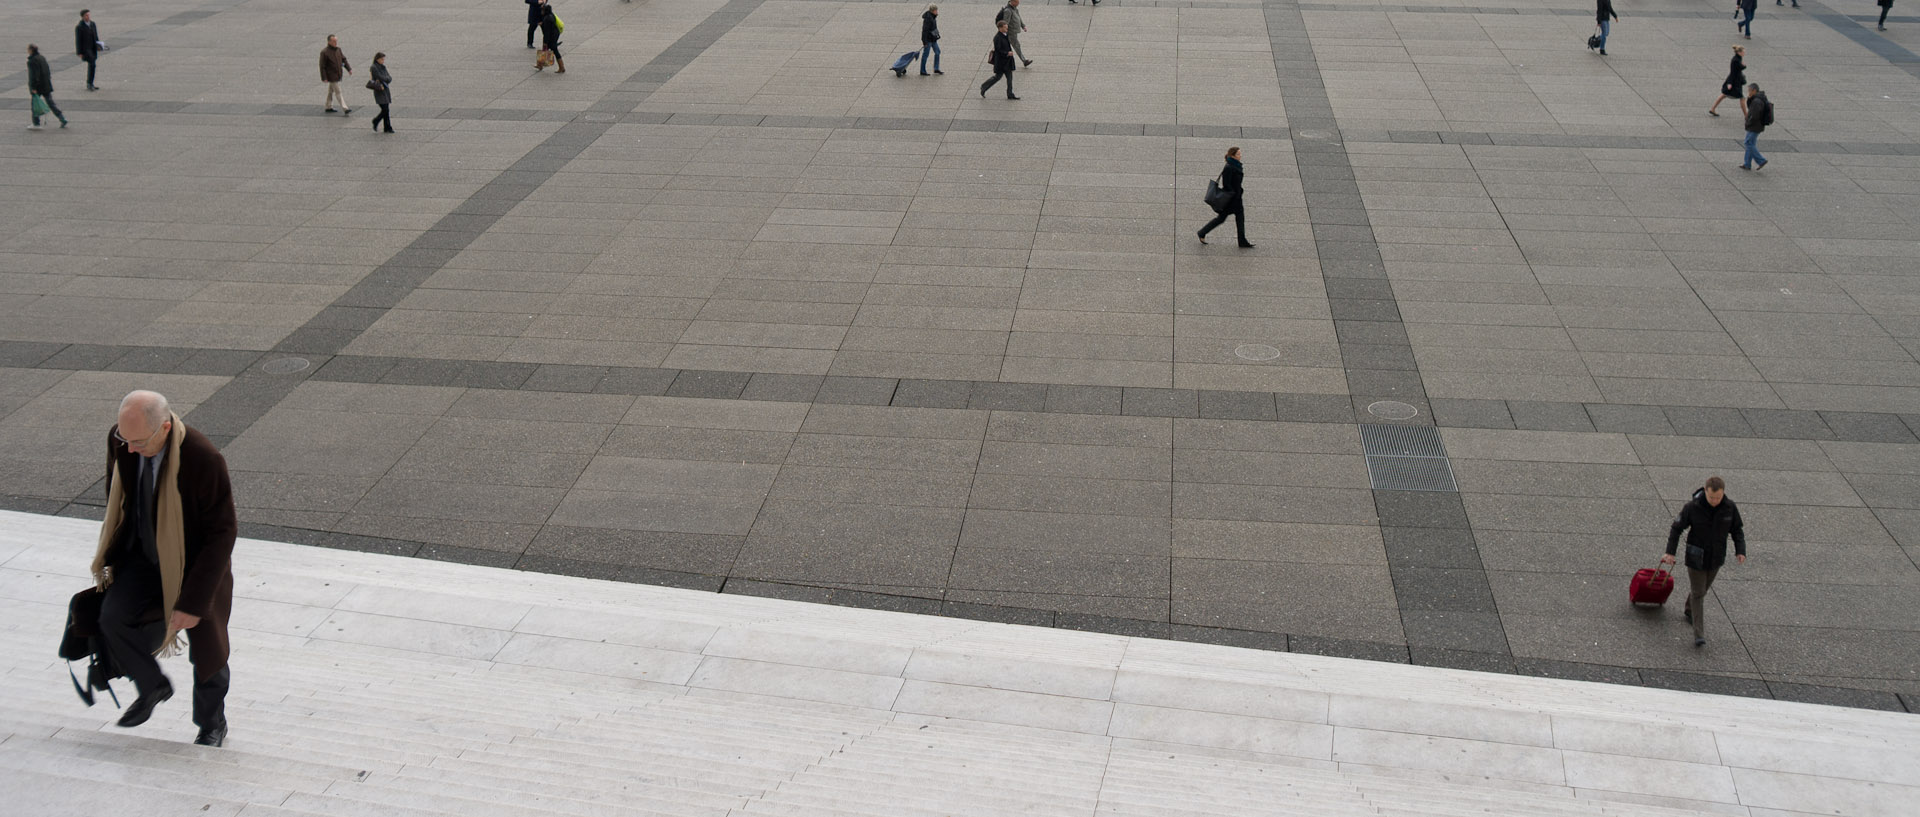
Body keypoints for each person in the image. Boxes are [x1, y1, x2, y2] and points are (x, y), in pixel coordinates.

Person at [90, 390, 236, 746]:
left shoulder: (203, 459)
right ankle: (153, 685)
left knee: (207, 652)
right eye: (125, 439)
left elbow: (223, 532)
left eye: (139, 441)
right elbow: (117, 493)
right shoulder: (122, 440)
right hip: (143, 554)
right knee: (111, 617)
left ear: (166, 428)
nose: (130, 448)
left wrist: (193, 603)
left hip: (195, 564)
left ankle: (212, 724)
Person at [1661, 476, 1746, 647]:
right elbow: (1676, 528)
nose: (1714, 501)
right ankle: (1698, 633)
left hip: (1716, 557)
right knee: (1699, 593)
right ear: (1705, 492)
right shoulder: (1692, 508)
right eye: (1711, 497)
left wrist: (1740, 550)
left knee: (1702, 589)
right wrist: (1670, 552)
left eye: (1718, 497)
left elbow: (1737, 530)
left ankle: (1689, 608)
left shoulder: (1729, 508)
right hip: (1696, 557)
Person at [1197, 147, 1254, 248]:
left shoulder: (1236, 165)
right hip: (1232, 200)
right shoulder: (1229, 167)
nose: (1240, 156)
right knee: (1222, 218)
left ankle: (1242, 240)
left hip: (1236, 198)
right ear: (1232, 156)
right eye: (1238, 154)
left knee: (1238, 218)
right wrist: (1234, 193)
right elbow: (1226, 184)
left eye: (1240, 154)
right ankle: (1202, 232)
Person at [26, 45, 67, 129]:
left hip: (38, 87)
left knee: (35, 104)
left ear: (31, 50)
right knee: (51, 103)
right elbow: (47, 70)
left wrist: (33, 87)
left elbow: (33, 76)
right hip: (46, 84)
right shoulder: (42, 57)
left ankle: (36, 123)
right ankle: (61, 118)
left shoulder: (32, 61)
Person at [980, 20, 1017, 99]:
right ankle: (984, 87)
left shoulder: (1005, 35)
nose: (1007, 28)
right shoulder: (997, 38)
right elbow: (998, 50)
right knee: (997, 77)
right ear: (1000, 28)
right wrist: (1007, 53)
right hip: (1001, 62)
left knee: (1009, 79)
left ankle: (1010, 94)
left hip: (1007, 61)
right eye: (1005, 27)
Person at [1709, 46, 1746, 117]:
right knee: (1742, 98)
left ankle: (1713, 108)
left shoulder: (1737, 59)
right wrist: (1730, 83)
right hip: (1735, 82)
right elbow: (1733, 72)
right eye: (1743, 52)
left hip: (1733, 81)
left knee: (1724, 94)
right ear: (1739, 52)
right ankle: (1746, 116)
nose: (1744, 53)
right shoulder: (1736, 60)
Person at [1741, 83, 1771, 170]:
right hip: (1757, 125)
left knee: (1748, 143)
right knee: (1750, 143)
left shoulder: (1757, 101)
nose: (1748, 93)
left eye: (1749, 91)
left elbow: (1755, 115)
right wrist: (1749, 99)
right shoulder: (1757, 98)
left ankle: (1761, 160)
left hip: (1755, 126)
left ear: (1754, 90)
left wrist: (1748, 122)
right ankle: (1747, 164)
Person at [320, 35, 352, 114]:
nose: (335, 43)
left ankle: (328, 106)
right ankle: (345, 108)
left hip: (337, 74)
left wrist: (349, 68)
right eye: (333, 41)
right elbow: (322, 66)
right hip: (331, 76)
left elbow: (343, 59)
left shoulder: (338, 50)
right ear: (329, 42)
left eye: (336, 41)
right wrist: (324, 77)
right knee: (338, 91)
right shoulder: (324, 52)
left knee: (331, 91)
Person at [998, 0, 1031, 67]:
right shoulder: (1008, 11)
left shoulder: (1015, 9)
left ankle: (998, 59)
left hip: (1014, 31)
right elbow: (1005, 22)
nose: (1018, 3)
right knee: (1016, 46)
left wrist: (1023, 26)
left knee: (1005, 46)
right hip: (1011, 32)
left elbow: (1019, 18)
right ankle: (1024, 61)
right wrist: (1004, 32)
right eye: (1017, 2)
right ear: (1012, 1)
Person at [76, 9, 102, 91]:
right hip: (86, 49)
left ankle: (91, 83)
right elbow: (78, 40)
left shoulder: (92, 24)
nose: (88, 16)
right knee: (92, 64)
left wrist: (99, 45)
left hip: (93, 47)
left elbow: (96, 35)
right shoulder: (80, 27)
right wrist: (79, 52)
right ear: (83, 17)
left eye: (89, 15)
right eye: (86, 15)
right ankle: (89, 83)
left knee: (93, 66)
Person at [369, 52, 394, 133]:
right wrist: (386, 79)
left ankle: (387, 127)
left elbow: (389, 77)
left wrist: (387, 79)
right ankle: (376, 121)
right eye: (382, 59)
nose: (383, 61)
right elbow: (380, 77)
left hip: (385, 90)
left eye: (383, 59)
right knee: (385, 109)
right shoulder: (374, 67)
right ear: (377, 59)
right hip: (379, 89)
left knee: (386, 109)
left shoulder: (383, 67)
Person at [539, 2, 565, 74]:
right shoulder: (551, 15)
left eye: (542, 10)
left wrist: (545, 42)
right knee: (547, 50)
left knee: (550, 50)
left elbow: (547, 32)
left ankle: (561, 67)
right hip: (555, 35)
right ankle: (540, 65)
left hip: (551, 37)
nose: (541, 11)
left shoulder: (547, 19)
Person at [920, 5, 942, 76]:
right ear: (932, 11)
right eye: (936, 10)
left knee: (937, 52)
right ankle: (922, 70)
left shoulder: (932, 17)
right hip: (928, 40)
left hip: (933, 39)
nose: (937, 12)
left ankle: (936, 68)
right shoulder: (928, 19)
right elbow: (924, 31)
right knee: (925, 55)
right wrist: (924, 42)